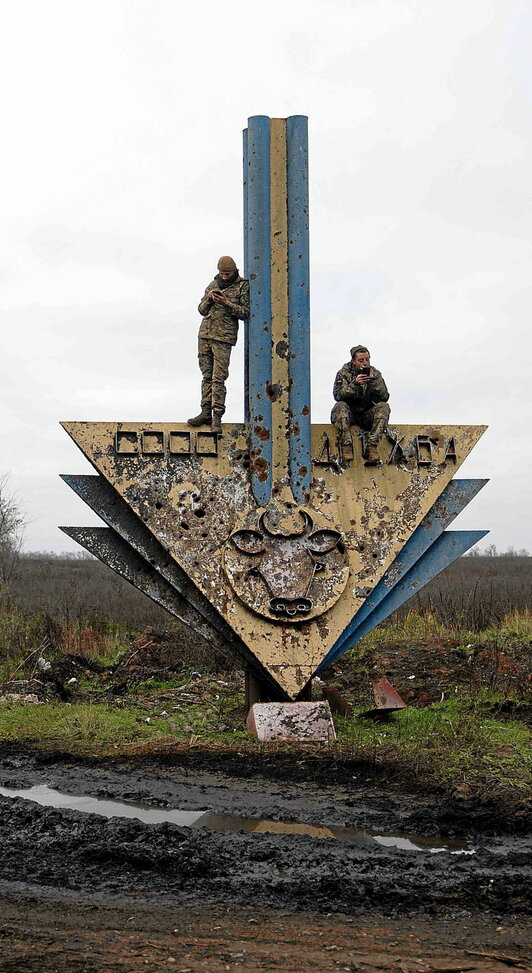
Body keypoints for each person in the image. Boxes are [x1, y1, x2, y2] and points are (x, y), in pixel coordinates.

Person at [188, 256, 249, 435]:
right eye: (222, 273)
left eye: (227, 274)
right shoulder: (213, 284)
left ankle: (217, 417)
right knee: (206, 376)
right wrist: (209, 299)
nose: (224, 277)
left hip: (224, 338)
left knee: (218, 378)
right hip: (205, 335)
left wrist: (226, 303)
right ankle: (205, 412)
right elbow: (201, 310)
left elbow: (246, 312)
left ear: (234, 271)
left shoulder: (242, 286)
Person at [331, 345, 390, 464]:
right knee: (340, 406)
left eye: (367, 359)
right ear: (353, 361)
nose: (365, 363)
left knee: (384, 407)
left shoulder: (375, 374)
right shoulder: (343, 373)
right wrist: (355, 384)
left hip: (366, 414)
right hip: (349, 414)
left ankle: (372, 446)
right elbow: (338, 395)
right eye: (361, 360)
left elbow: (384, 397)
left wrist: (373, 382)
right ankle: (346, 444)